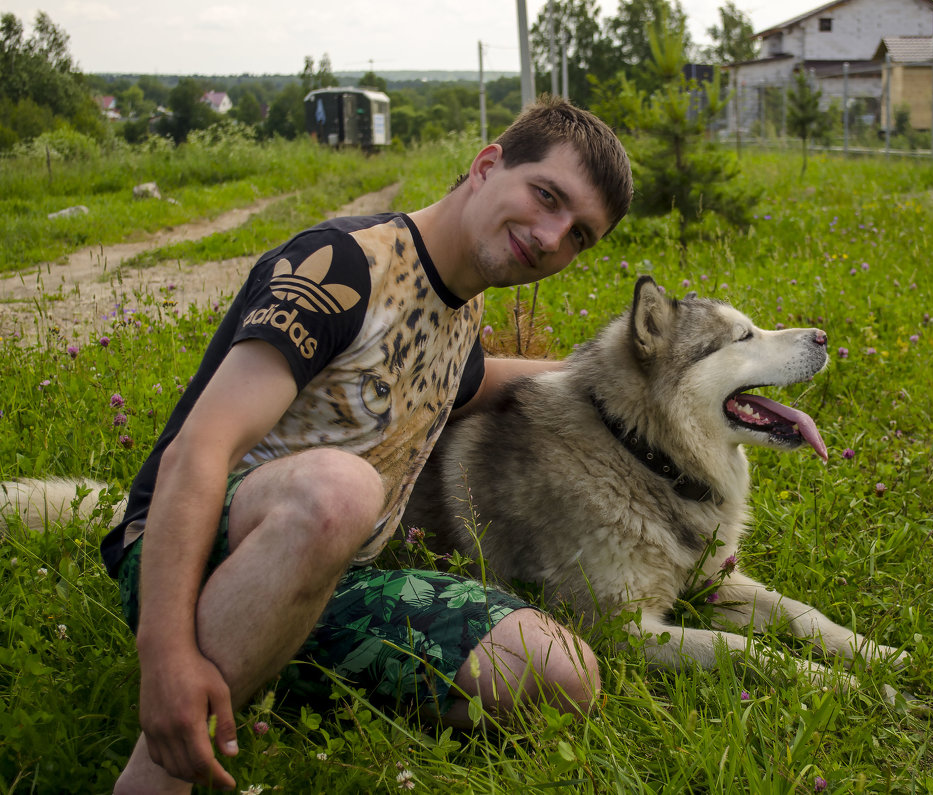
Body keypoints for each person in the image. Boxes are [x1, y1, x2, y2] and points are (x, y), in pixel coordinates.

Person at [100, 96, 633, 793]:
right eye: (546, 195)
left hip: (337, 579)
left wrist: (610, 375)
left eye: (580, 234)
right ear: (486, 165)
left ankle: (264, 659)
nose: (553, 236)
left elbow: (466, 381)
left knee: (562, 672)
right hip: (195, 551)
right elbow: (198, 450)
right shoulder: (342, 265)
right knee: (341, 489)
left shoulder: (460, 307)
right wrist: (166, 650)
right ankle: (154, 775)